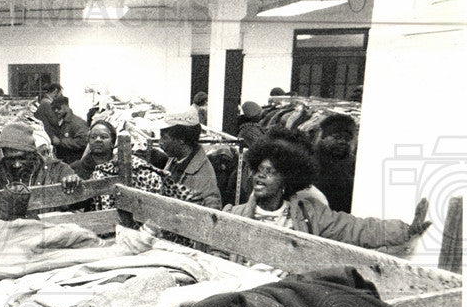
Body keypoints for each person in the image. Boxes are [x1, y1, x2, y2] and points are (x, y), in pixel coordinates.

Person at [226, 136, 429, 253]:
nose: (261, 176)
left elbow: (356, 229)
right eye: (259, 170)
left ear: (286, 180)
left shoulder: (310, 214)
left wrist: (406, 230)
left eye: (270, 172)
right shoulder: (233, 214)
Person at [0, 123, 80, 218]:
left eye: (22, 158)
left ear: (33, 152)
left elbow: (78, 203)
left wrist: (72, 182)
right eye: (10, 159)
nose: (16, 165)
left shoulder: (57, 170)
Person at [156, 109, 222, 208]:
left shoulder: (203, 174)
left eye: (164, 137)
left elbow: (213, 208)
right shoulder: (175, 159)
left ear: (181, 139)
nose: (160, 142)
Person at [314, 113, 358, 213]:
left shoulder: (352, 163)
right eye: (337, 137)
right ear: (324, 137)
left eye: (347, 139)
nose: (342, 142)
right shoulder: (311, 161)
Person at [47, 95, 90, 165]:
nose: (56, 111)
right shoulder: (59, 121)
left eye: (58, 108)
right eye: (53, 108)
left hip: (74, 163)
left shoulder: (78, 123)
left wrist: (60, 142)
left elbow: (83, 141)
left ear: (67, 106)